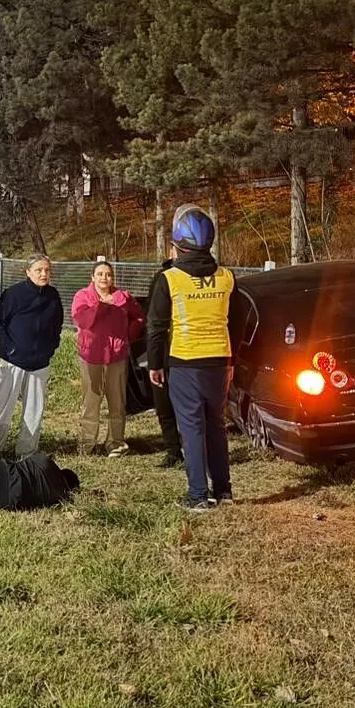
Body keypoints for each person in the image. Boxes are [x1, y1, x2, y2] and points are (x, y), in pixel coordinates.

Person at [144, 204, 235, 511]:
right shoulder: (226, 277)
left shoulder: (169, 279)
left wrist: (155, 364)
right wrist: (233, 361)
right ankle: (223, 490)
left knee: (192, 429)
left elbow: (156, 327)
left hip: (185, 361)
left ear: (178, 245)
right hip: (220, 360)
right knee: (216, 424)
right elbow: (235, 322)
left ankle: (198, 495)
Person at [0, 255, 64, 457]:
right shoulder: (14, 294)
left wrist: (51, 347)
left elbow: (57, 324)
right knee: (2, 410)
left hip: (40, 364)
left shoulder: (53, 296)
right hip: (11, 362)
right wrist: (8, 347)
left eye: (47, 270)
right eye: (39, 270)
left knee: (34, 412)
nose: (43, 274)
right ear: (28, 272)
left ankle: (27, 453)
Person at [71, 260, 144, 457]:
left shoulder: (123, 297)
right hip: (92, 356)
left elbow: (138, 317)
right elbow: (82, 320)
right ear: (92, 277)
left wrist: (128, 335)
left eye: (108, 274)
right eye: (100, 274)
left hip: (117, 356)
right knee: (91, 401)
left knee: (117, 401)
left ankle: (115, 442)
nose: (105, 278)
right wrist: (101, 305)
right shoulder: (82, 296)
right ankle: (87, 443)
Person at [148, 249, 184, 467]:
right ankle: (173, 450)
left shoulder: (205, 276)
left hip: (189, 351)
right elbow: (153, 321)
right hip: (164, 350)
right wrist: (154, 360)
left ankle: (194, 450)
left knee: (189, 407)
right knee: (164, 405)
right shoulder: (162, 278)